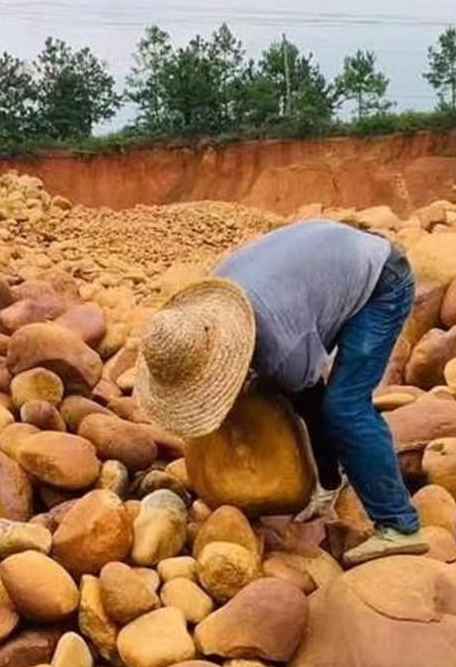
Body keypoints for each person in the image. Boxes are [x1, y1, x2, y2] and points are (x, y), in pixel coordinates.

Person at [134, 219, 426, 566]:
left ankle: (399, 524)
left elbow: (311, 401)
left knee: (344, 408)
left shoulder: (281, 346)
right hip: (335, 255)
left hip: (382, 282)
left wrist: (327, 481)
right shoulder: (212, 303)